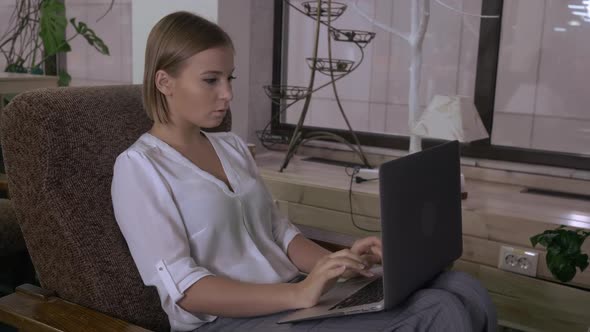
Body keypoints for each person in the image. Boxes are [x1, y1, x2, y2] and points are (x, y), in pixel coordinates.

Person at [111, 11, 496, 332]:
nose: (227, 93)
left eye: (230, 78)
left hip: (292, 297)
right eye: (211, 80)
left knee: (461, 288)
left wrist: (342, 264)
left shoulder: (229, 146)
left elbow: (280, 233)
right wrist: (299, 294)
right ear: (165, 82)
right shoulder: (138, 169)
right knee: (441, 313)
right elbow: (186, 289)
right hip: (228, 322)